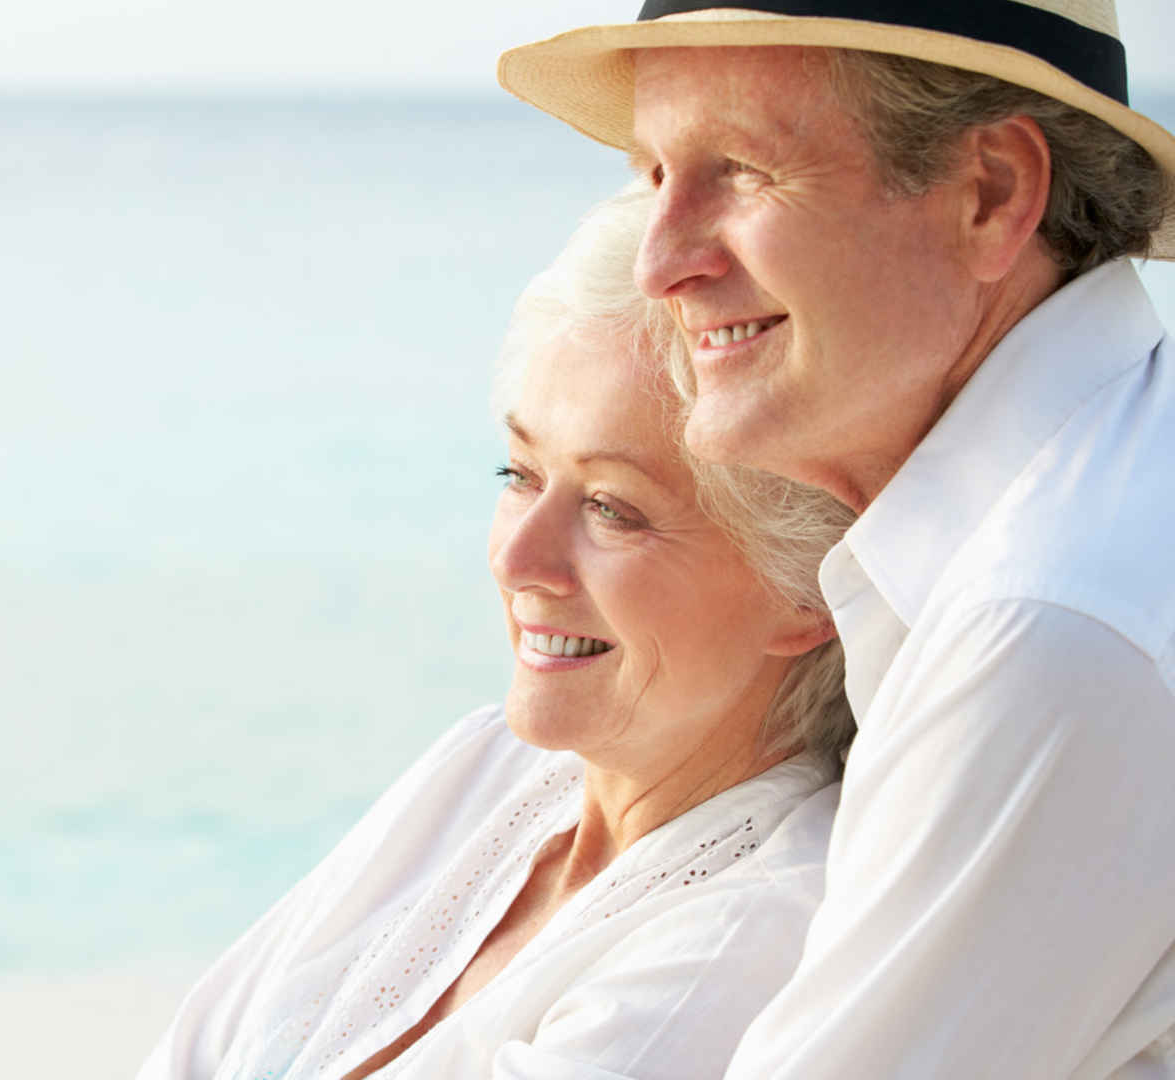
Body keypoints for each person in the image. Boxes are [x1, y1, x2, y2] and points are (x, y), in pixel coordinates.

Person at [496, 3, 1175, 1077]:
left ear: (992, 194)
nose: (660, 263)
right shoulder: (1084, 498)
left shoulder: (1049, 623)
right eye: (655, 174)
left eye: (741, 171)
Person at [137, 187, 857, 1080]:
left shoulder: (745, 943)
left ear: (808, 592)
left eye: (612, 508)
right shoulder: (485, 772)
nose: (518, 559)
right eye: (519, 474)